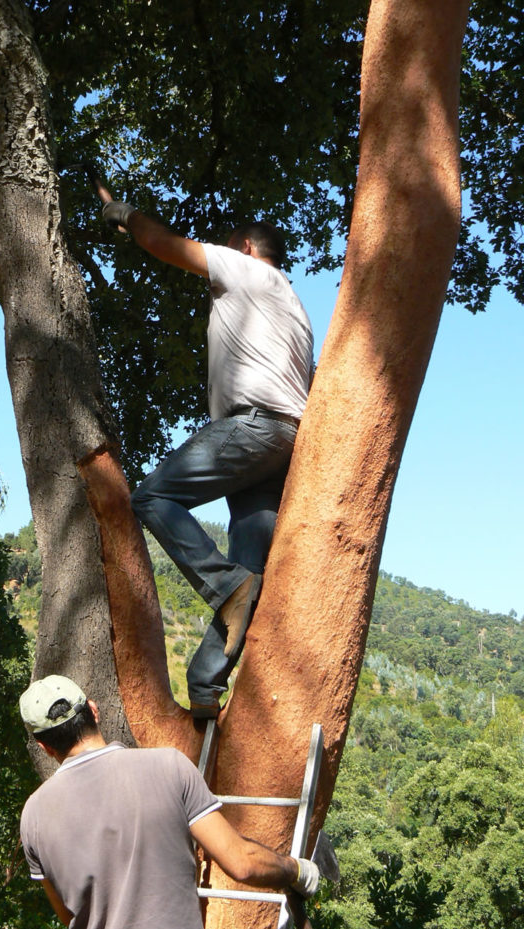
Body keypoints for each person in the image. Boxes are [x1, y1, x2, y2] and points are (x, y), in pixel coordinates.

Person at [101, 198, 314, 718]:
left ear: (243, 247)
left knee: (154, 495)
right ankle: (204, 685)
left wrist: (123, 213)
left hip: (253, 428)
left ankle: (226, 588)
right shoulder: (297, 311)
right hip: (283, 444)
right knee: (250, 569)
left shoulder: (245, 270)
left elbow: (162, 244)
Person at [19, 674, 320, 929]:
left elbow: (69, 917)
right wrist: (295, 870)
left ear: (45, 746)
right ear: (93, 711)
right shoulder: (168, 767)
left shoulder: (34, 815)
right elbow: (242, 863)